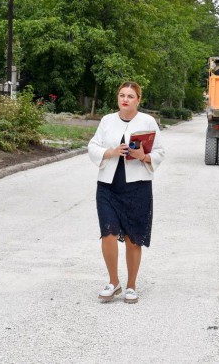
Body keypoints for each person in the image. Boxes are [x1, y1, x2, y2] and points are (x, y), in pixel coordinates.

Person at [87, 81, 165, 304]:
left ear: (138, 100)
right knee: (108, 233)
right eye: (122, 95)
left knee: (133, 239)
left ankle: (131, 286)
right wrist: (110, 152)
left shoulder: (148, 121)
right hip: (108, 187)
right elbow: (93, 146)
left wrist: (143, 156)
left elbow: (160, 151)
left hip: (137, 187)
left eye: (130, 96)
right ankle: (114, 282)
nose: (125, 99)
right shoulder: (107, 120)